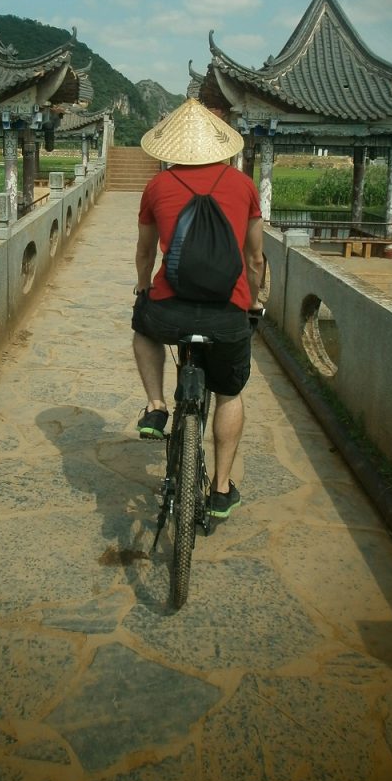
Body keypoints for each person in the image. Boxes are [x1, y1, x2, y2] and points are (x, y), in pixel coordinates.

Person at [131, 98, 264, 519]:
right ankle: (222, 489)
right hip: (228, 312)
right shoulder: (244, 185)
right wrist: (255, 299)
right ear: (220, 145)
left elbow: (145, 252)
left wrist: (142, 287)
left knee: (143, 327)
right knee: (229, 394)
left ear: (172, 147)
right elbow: (256, 258)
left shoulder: (157, 187)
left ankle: (155, 406)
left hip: (171, 308)